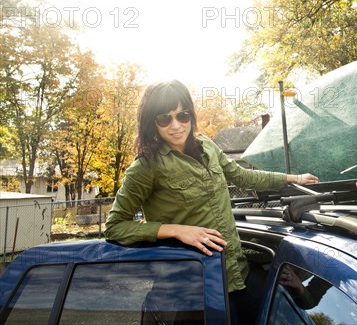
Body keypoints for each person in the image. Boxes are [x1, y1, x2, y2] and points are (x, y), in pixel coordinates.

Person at [104, 80, 319, 324]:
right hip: (198, 290)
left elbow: (243, 176)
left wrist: (293, 178)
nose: (176, 126)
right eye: (165, 119)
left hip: (239, 274)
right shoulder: (146, 167)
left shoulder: (206, 145)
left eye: (182, 115)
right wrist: (178, 230)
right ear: (152, 122)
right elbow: (115, 226)